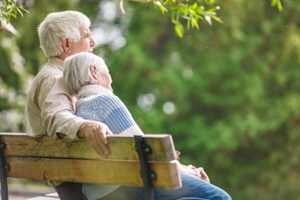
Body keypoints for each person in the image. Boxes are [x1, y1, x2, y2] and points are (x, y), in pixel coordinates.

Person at [63, 52, 232, 200]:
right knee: (220, 197)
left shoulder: (77, 114)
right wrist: (190, 172)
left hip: (98, 195)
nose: (111, 79)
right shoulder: (104, 101)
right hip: (129, 187)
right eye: (107, 72)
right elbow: (148, 155)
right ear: (94, 71)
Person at [26, 11, 112, 200]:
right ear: (66, 44)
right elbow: (57, 118)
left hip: (82, 177)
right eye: (86, 35)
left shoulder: (62, 77)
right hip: (79, 186)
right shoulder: (55, 77)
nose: (93, 42)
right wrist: (87, 126)